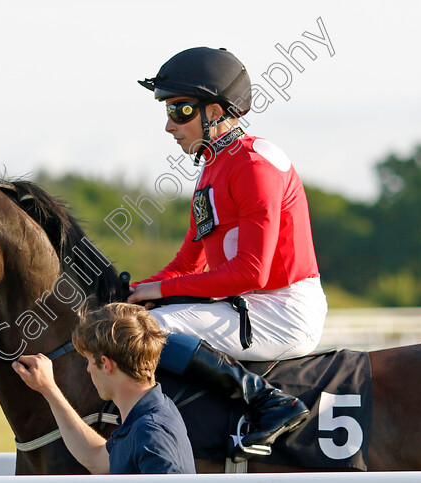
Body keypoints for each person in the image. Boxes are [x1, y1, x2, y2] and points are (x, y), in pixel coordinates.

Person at [127, 47, 327, 454]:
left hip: (283, 311)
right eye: (167, 110)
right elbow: (188, 263)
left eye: (180, 110)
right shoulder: (212, 167)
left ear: (215, 111)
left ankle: (270, 403)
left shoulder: (255, 164)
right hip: (250, 305)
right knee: (130, 315)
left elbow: (251, 271)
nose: (169, 125)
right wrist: (131, 292)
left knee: (149, 329)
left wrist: (157, 295)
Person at [12, 303, 195, 474]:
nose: (88, 369)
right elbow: (98, 458)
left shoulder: (151, 434)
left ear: (106, 364)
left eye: (89, 361)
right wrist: (49, 390)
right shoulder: (148, 415)